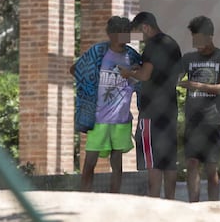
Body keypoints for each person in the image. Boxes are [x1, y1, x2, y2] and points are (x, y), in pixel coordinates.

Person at [70, 16, 141, 193]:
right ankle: (85, 195)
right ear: (112, 34)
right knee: (90, 160)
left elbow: (142, 78)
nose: (126, 37)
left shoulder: (132, 56)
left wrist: (131, 78)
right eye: (122, 33)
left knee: (117, 163)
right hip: (98, 117)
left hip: (121, 118)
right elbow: (75, 69)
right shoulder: (98, 52)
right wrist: (87, 87)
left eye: (128, 33)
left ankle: (114, 197)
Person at [119, 12, 182, 199]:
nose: (141, 37)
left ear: (146, 27)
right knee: (169, 159)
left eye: (140, 32)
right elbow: (176, 74)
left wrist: (129, 73)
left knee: (151, 159)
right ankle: (171, 200)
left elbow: (146, 75)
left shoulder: (152, 45)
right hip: (170, 107)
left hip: (151, 111)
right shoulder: (172, 44)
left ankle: (153, 200)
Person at [177, 15, 220, 202]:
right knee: (192, 163)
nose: (196, 43)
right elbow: (173, 78)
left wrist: (198, 86)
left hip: (213, 120)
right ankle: (194, 206)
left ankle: (213, 208)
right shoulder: (188, 58)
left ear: (210, 36)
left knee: (211, 168)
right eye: (193, 39)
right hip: (193, 120)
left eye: (199, 39)